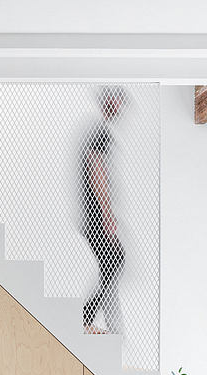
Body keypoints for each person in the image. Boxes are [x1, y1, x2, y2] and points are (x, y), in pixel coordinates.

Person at [80, 86, 125, 335]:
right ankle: (86, 320)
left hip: (95, 214)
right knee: (114, 259)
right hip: (96, 215)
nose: (119, 106)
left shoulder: (100, 131)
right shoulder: (100, 132)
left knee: (113, 261)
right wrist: (107, 215)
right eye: (116, 100)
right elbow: (96, 169)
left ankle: (95, 320)